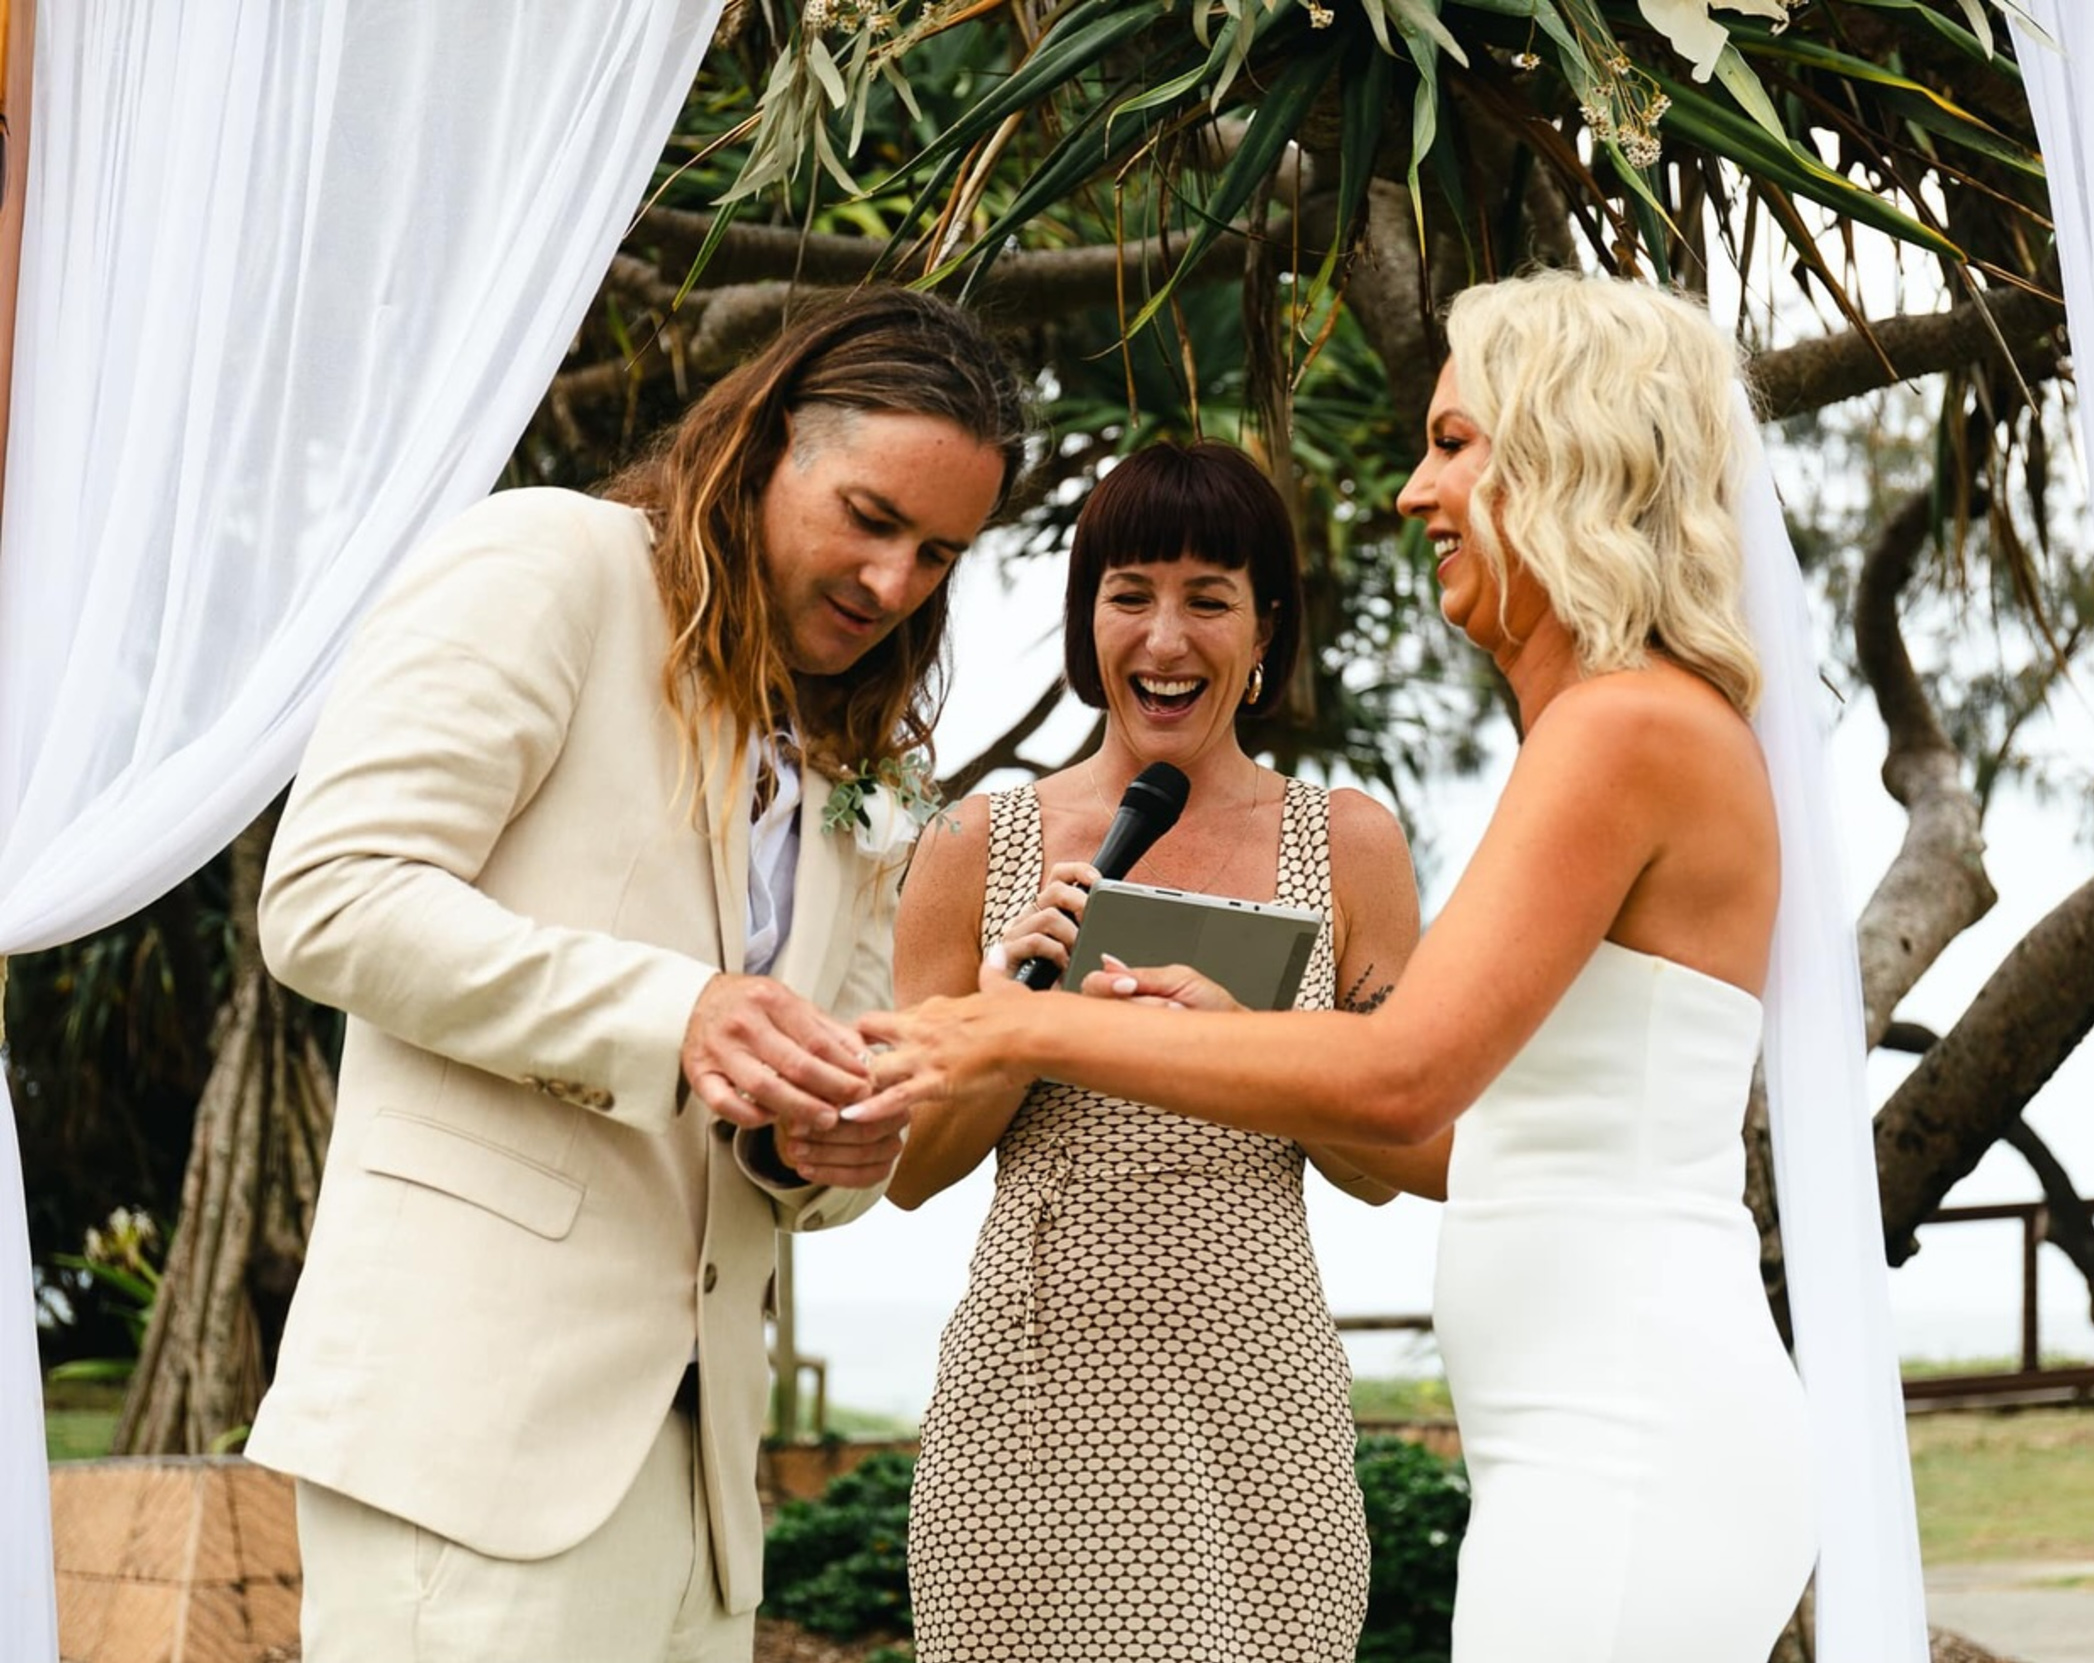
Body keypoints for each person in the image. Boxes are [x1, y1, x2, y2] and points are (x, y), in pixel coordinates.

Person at [858, 274, 1825, 1660]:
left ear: (1568, 449)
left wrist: (1030, 1033)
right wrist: (1194, 1029)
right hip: (1589, 1423)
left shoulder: (1620, 730)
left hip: (1624, 1426)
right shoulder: (1621, 727)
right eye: (1126, 593)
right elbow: (1476, 1108)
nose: (1413, 491)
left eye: (1453, 440)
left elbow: (1404, 1078)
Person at [246, 286, 1030, 1663]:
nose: (896, 582)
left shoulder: (869, 757)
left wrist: (821, 1137)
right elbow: (331, 898)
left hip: (701, 1485)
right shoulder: (550, 561)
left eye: (940, 554)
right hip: (471, 1446)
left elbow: (815, 1108)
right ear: (772, 439)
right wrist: (675, 1011)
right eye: (871, 518)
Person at [885, 439, 1423, 1662]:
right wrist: (1009, 1025)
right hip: (1030, 1410)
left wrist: (1266, 1052)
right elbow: (909, 1171)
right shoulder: (975, 841)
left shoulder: (1350, 843)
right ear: (1086, 624)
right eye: (1129, 595)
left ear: (1267, 627)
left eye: (1208, 598)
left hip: (1256, 1403)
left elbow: (1397, 1154)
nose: (1165, 638)